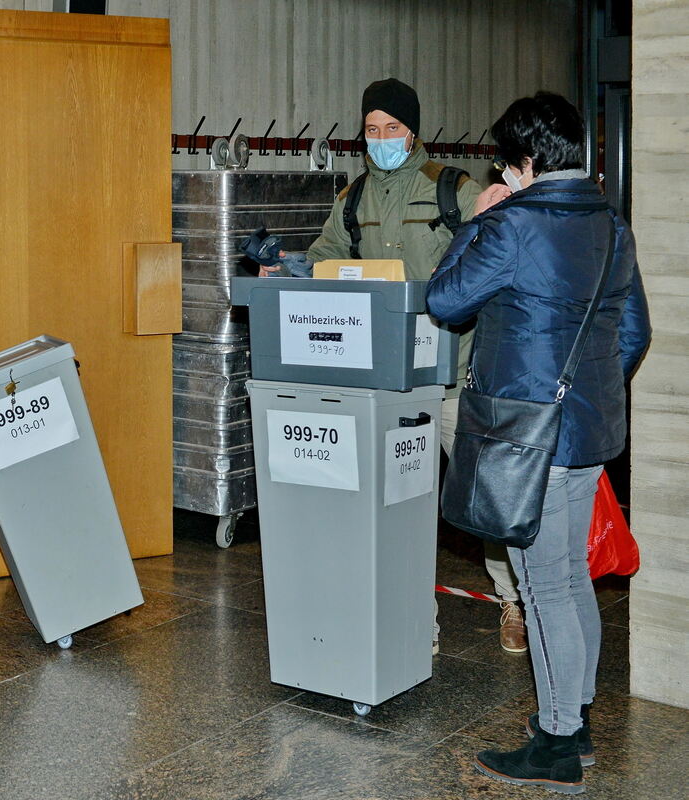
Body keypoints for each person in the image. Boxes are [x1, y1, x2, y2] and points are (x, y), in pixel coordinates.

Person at [426, 92, 650, 794]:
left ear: (522, 161)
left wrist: (479, 219)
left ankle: (555, 743)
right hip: (588, 433)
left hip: (528, 436)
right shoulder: (611, 223)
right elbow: (635, 334)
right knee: (567, 577)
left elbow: (444, 299)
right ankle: (572, 719)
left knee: (543, 582)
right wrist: (584, 399)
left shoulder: (514, 223)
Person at [263, 78, 527, 654]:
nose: (382, 139)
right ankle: (413, 617)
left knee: (487, 496)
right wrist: (290, 267)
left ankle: (514, 599)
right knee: (395, 504)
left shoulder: (451, 189)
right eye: (372, 130)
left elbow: (489, 266)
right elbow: (329, 256)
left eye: (393, 129)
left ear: (413, 131)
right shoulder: (352, 197)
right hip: (385, 378)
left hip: (454, 373)